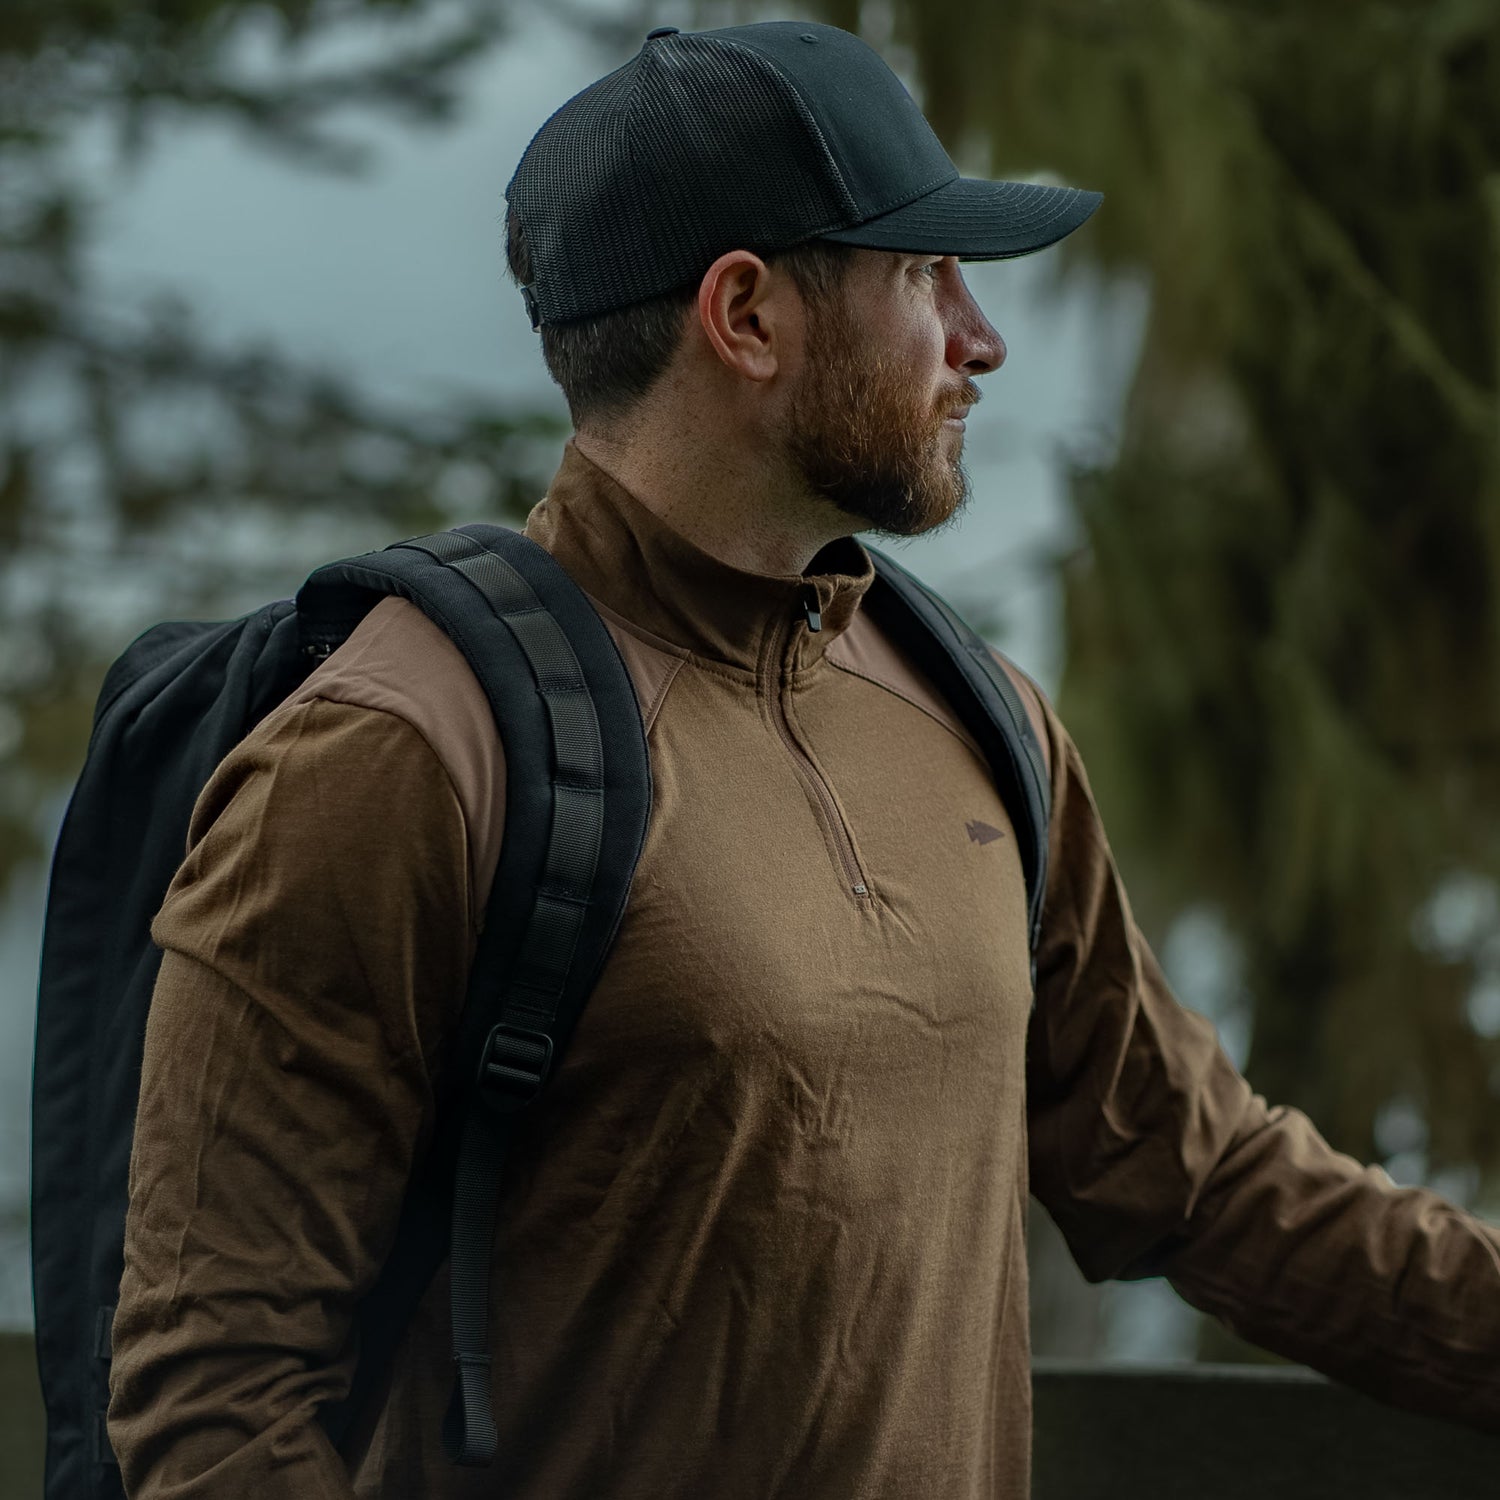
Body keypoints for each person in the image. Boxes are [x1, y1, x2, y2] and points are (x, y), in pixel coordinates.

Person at [106, 19, 1500, 1500]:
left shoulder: (981, 718)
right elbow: (214, 1399)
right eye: (921, 275)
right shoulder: (397, 755)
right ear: (747, 316)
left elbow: (1207, 1179)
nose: (981, 337)